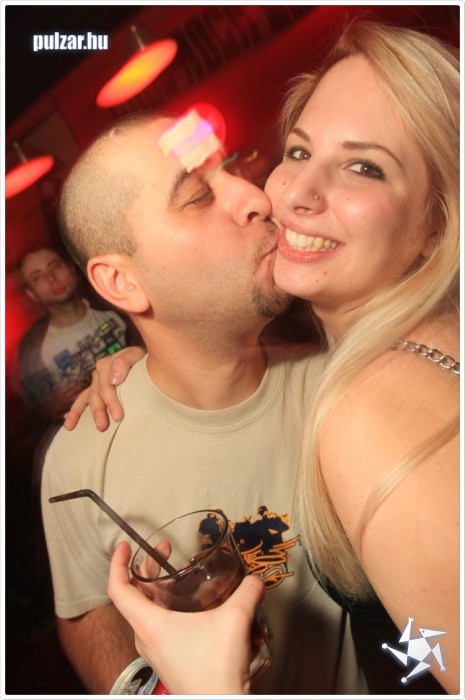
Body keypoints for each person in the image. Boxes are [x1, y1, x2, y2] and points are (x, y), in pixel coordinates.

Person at [103, 20, 459, 695]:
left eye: (363, 166)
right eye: (298, 151)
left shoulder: (374, 410)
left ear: (433, 225)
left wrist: (210, 687)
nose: (293, 193)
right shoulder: (417, 349)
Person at [40, 111, 363, 695]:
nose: (256, 197)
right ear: (122, 283)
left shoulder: (347, 380)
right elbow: (85, 611)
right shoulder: (81, 456)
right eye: (197, 196)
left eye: (231, 168)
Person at [15, 246, 139, 423]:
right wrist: (54, 405)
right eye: (37, 277)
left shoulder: (117, 305)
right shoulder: (32, 350)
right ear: (31, 294)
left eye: (55, 266)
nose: (51, 278)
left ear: (71, 268)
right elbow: (36, 411)